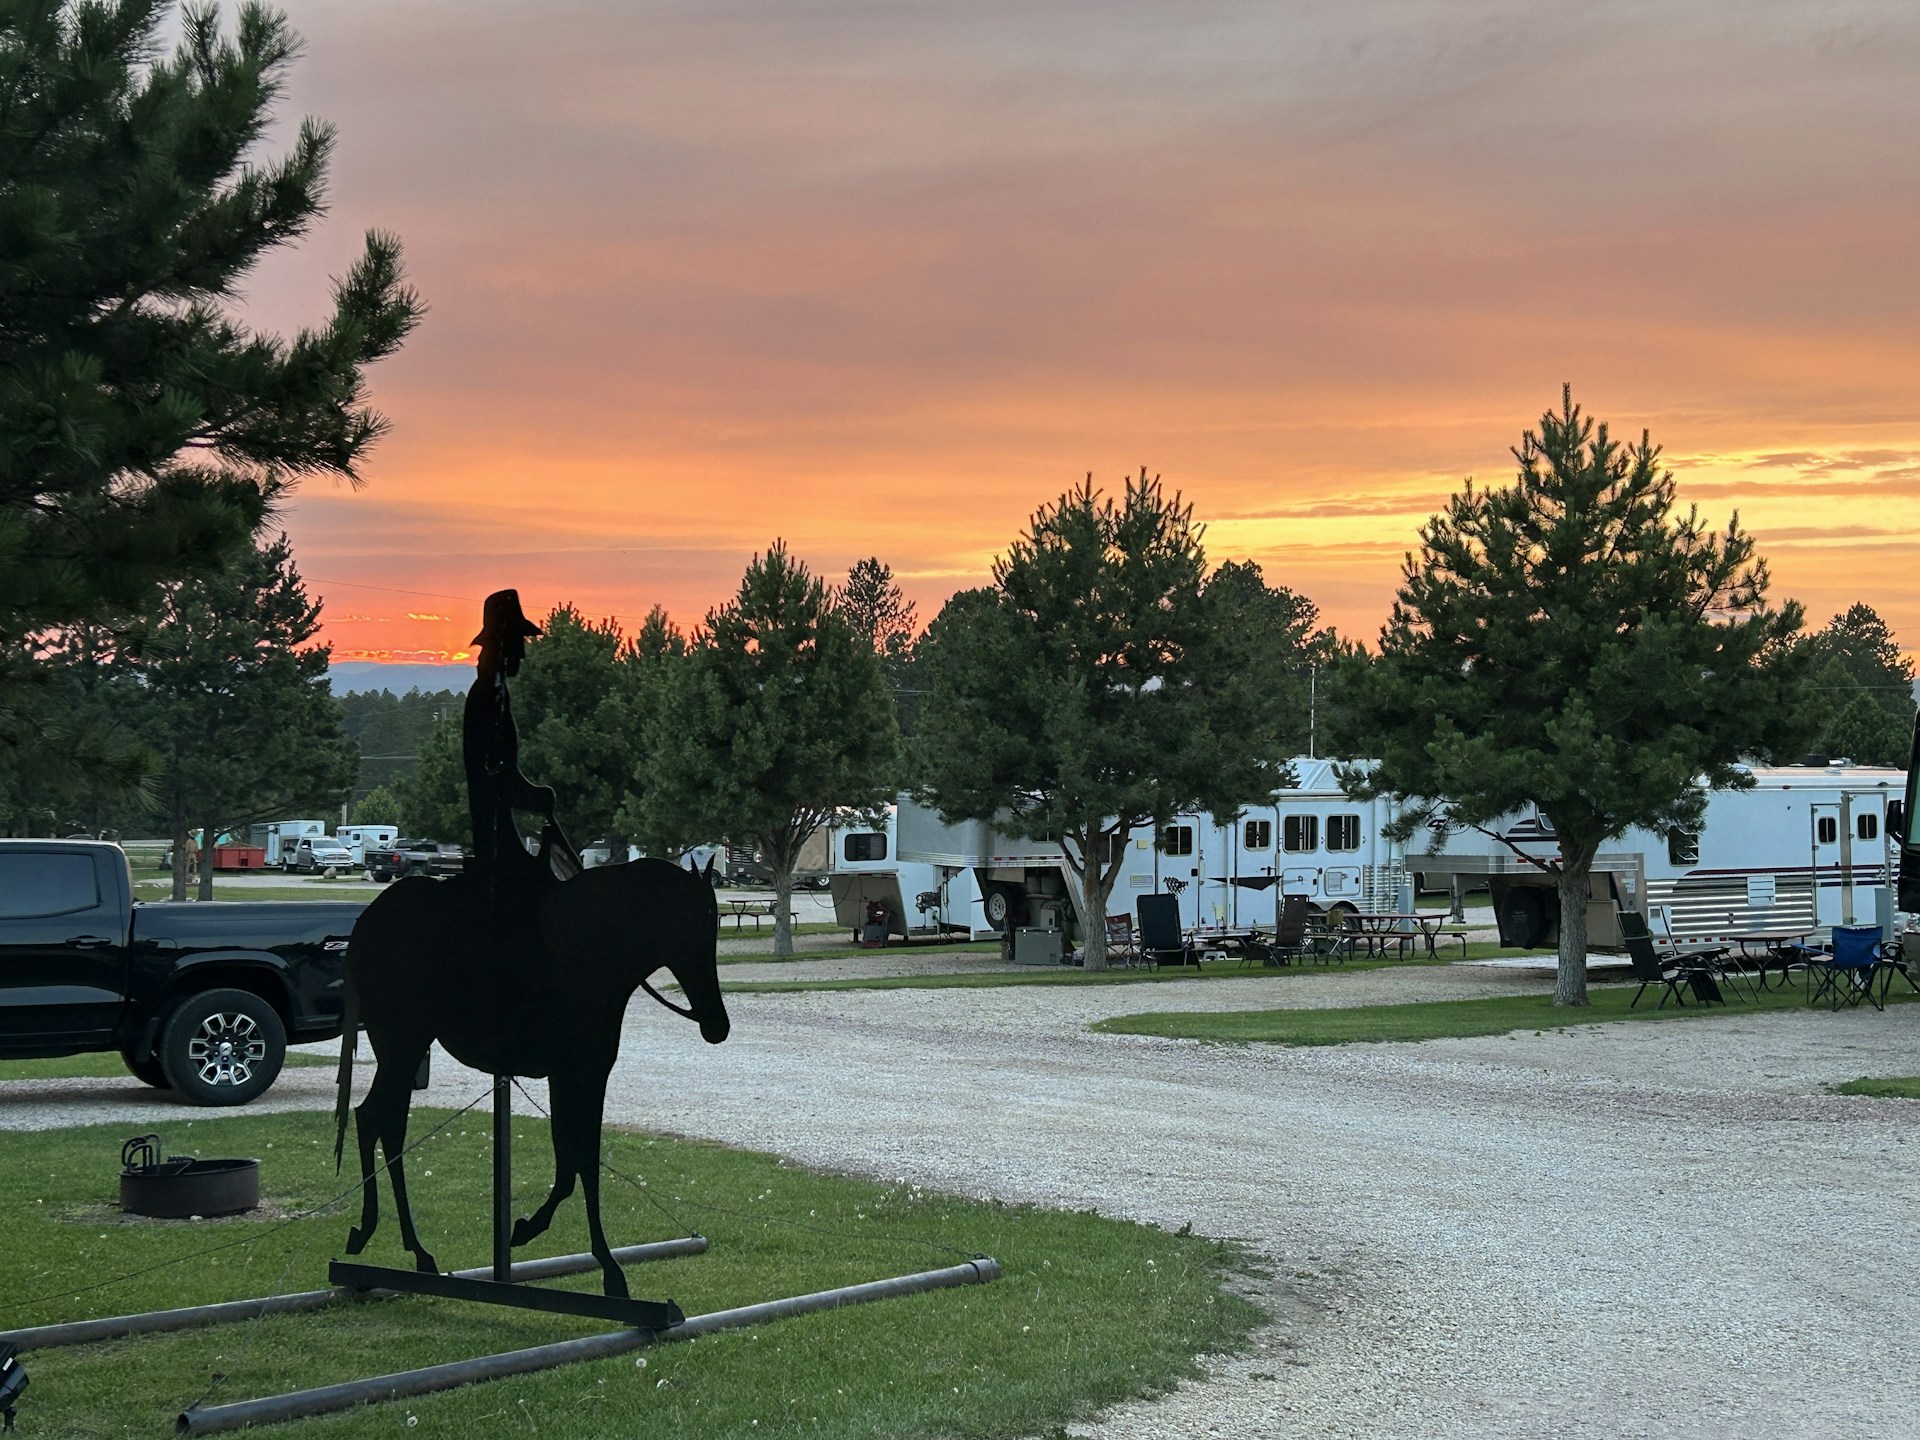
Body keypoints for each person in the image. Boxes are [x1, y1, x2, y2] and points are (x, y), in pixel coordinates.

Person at [463, 589, 581, 892]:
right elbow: (496, 775)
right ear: (503, 644)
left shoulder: (495, 692)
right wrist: (538, 797)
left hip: (499, 830)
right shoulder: (491, 696)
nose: (523, 653)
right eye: (519, 642)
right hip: (496, 838)